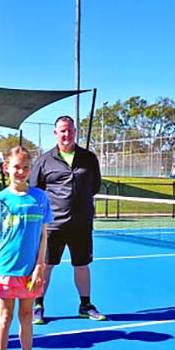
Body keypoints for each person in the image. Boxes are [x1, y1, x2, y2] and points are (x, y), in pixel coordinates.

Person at [0, 146, 53, 350]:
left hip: (30, 272)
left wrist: (39, 266)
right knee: (5, 316)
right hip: (6, 268)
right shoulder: (0, 200)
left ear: (31, 169)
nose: (21, 171)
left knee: (26, 316)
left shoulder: (40, 198)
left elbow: (44, 236)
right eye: (16, 167)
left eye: (25, 167)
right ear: (7, 168)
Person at [30, 115, 105, 325]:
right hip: (53, 225)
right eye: (62, 130)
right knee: (45, 265)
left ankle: (85, 305)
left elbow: (95, 186)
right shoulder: (44, 160)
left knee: (82, 265)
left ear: (75, 132)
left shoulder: (89, 158)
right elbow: (36, 190)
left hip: (81, 224)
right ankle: (37, 304)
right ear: (56, 133)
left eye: (70, 130)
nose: (66, 134)